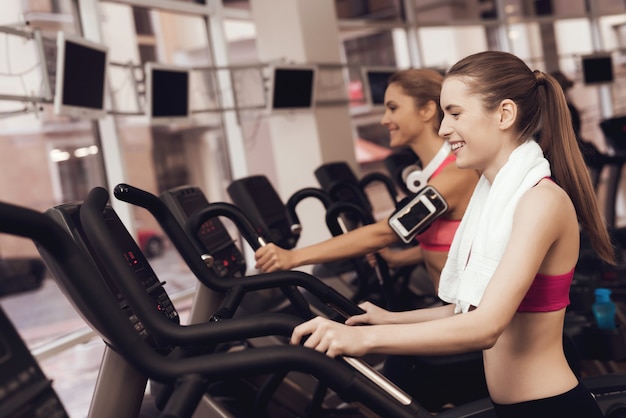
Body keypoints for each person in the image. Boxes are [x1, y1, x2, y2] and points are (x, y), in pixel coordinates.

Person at [289, 51, 615, 418]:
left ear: (504, 114)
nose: (444, 129)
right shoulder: (495, 198)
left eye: (455, 113)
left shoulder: (540, 201)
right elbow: (468, 308)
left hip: (550, 409)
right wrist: (386, 319)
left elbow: (486, 326)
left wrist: (365, 339)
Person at [255, 68, 479, 294]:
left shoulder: (455, 174)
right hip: (455, 311)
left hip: (475, 318)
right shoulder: (428, 174)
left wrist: (293, 257)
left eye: (393, 108)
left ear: (427, 110)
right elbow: (449, 244)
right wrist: (396, 259)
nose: (384, 119)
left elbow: (384, 232)